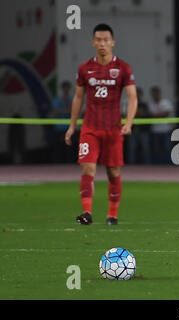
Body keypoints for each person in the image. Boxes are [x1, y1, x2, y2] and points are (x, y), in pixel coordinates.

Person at [64, 23, 138, 226]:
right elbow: (78, 98)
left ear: (112, 42)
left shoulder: (123, 68)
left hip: (113, 129)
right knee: (87, 168)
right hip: (90, 128)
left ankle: (112, 215)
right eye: (98, 40)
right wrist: (72, 126)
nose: (102, 43)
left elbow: (132, 97)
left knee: (113, 172)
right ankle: (86, 212)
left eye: (106, 40)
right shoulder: (85, 68)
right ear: (93, 42)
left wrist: (128, 123)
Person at [148, 86, 174, 164]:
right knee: (156, 149)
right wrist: (161, 114)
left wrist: (156, 115)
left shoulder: (165, 102)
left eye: (156, 93)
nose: (154, 95)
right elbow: (150, 115)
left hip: (165, 129)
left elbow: (167, 113)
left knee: (167, 148)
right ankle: (157, 164)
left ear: (159, 93)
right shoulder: (151, 104)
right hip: (155, 130)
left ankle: (168, 164)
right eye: (153, 93)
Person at [50, 81, 74, 163]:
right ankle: (57, 163)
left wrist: (64, 111)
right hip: (59, 127)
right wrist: (67, 111)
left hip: (68, 127)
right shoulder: (58, 99)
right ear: (62, 89)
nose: (66, 89)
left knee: (69, 147)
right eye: (64, 88)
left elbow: (74, 111)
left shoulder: (72, 99)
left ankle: (68, 163)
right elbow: (55, 111)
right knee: (58, 147)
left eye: (67, 88)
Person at [127, 87, 151, 164]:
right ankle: (131, 164)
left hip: (143, 130)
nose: (137, 95)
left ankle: (147, 164)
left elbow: (147, 114)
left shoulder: (144, 105)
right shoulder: (129, 104)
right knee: (132, 148)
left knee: (145, 149)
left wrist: (136, 113)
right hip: (133, 129)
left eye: (139, 93)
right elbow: (127, 114)